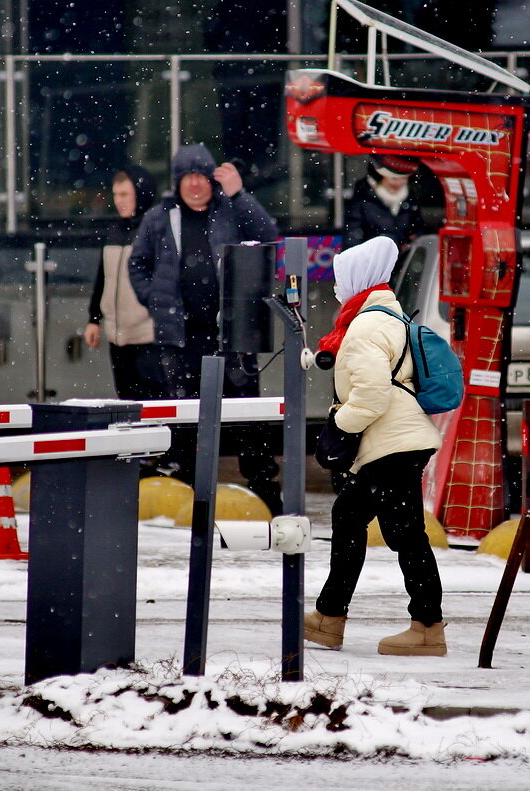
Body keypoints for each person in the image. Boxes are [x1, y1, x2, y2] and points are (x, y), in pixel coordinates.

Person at [304, 236, 447, 657]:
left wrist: (336, 427)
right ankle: (330, 617)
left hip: (392, 445)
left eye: (339, 281)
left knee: (404, 534)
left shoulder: (366, 326)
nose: (335, 289)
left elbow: (370, 397)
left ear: (356, 280)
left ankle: (427, 627)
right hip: (395, 441)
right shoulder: (384, 315)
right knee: (349, 520)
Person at [127, 143, 282, 514]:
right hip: (180, 337)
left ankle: (263, 487)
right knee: (182, 412)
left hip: (232, 334)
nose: (195, 185)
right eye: (188, 178)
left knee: (248, 414)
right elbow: (138, 264)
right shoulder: (160, 217)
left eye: (202, 177)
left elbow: (267, 236)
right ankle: (183, 488)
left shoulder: (230, 209)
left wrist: (239, 192)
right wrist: (156, 300)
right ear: (177, 182)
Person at [83, 166, 163, 399]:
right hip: (117, 334)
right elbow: (104, 277)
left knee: (151, 401)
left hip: (147, 333)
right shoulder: (114, 231)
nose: (118, 201)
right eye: (115, 195)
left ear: (141, 193)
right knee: (126, 398)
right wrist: (94, 318)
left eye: (124, 194)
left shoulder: (155, 231)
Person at [343, 154, 426, 250]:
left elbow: (418, 229)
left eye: (404, 178)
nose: (399, 183)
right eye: (394, 178)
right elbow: (353, 235)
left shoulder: (411, 198)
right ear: (381, 177)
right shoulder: (362, 198)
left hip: (402, 259)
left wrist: (410, 243)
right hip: (372, 258)